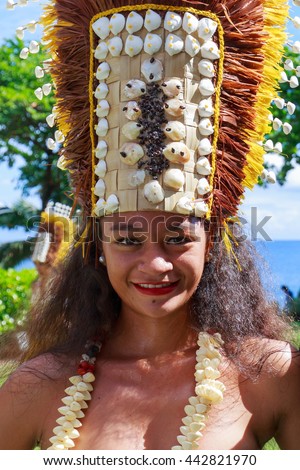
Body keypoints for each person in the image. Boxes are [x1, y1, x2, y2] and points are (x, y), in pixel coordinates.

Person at [0, 0, 300, 451]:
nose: (155, 263)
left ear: (212, 242)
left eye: (178, 237)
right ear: (99, 245)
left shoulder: (273, 375)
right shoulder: (37, 386)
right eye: (128, 239)